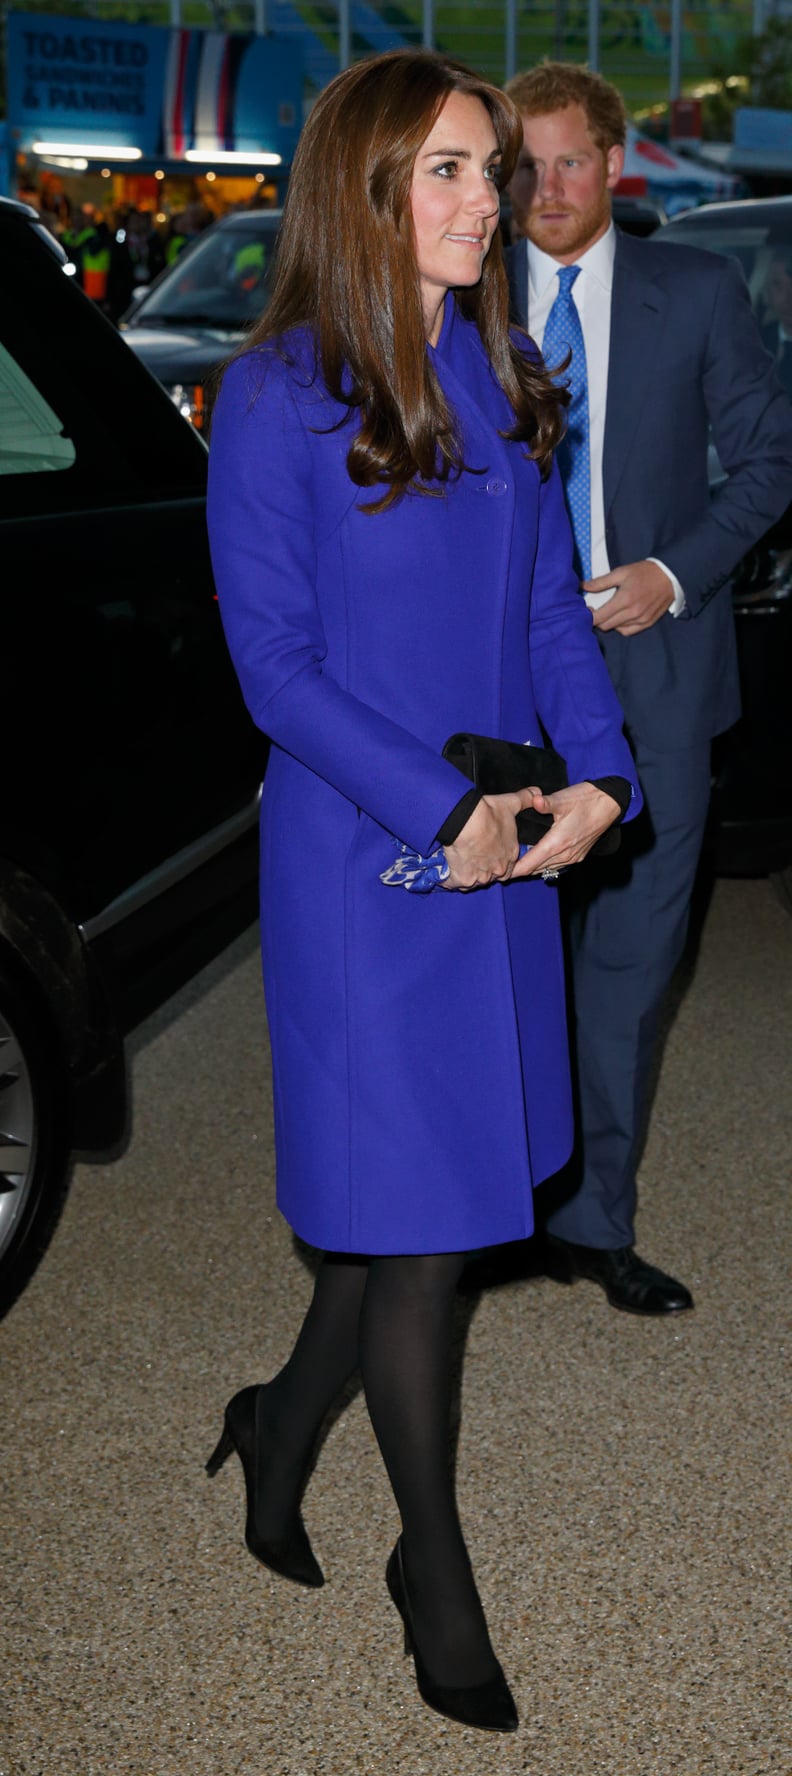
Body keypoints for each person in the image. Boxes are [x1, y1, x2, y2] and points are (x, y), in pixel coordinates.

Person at [205, 48, 640, 1733]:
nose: (489, 199)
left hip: (501, 851)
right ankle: (432, 1574)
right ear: (365, 190)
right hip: (367, 860)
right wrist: (439, 807)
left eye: (492, 171)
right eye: (448, 171)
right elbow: (278, 668)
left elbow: (543, 623)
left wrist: (600, 774)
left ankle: (271, 1421)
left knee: (424, 1213)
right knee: (417, 1231)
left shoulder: (496, 372)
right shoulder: (281, 390)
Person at [504, 63, 792, 1313]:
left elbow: (773, 459)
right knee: (497, 952)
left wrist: (674, 573)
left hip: (660, 666)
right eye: (526, 165)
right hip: (497, 678)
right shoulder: (461, 302)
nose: (547, 189)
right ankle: (486, 1211)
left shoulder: (698, 290)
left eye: (571, 162)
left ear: (613, 164)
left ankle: (592, 1221)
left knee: (630, 961)